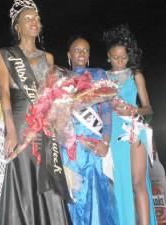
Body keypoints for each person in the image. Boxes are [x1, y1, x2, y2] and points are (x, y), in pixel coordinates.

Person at [0, 0, 72, 224]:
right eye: (27, 18)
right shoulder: (5, 54)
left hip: (43, 123)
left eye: (36, 19)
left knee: (47, 169)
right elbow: (4, 94)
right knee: (23, 173)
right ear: (17, 26)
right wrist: (10, 131)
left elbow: (49, 92)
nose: (34, 22)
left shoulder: (48, 58)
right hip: (19, 121)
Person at [103, 24, 157, 225]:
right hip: (113, 133)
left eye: (124, 57)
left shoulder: (136, 75)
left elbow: (148, 109)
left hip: (134, 129)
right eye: (115, 57)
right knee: (120, 184)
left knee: (137, 182)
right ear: (108, 55)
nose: (120, 61)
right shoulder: (103, 78)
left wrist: (134, 110)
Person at [62, 35, 117, 225]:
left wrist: (106, 140)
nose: (82, 53)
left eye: (86, 50)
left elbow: (107, 109)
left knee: (96, 192)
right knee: (73, 193)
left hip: (94, 142)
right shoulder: (61, 79)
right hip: (70, 146)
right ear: (69, 54)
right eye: (77, 49)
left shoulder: (99, 74)